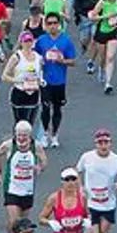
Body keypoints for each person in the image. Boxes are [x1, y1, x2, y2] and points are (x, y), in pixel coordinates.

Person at [0, 120, 49, 231]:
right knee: (15, 221)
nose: (21, 138)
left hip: (28, 190)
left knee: (23, 223)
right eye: (19, 135)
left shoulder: (36, 146)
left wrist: (40, 167)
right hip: (11, 188)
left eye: (24, 135)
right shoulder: (9, 145)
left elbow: (44, 161)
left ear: (29, 135)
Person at [36, 12, 78, 148]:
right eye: (49, 23)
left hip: (59, 81)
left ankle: (55, 134)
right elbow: (35, 57)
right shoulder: (41, 41)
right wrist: (40, 63)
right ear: (46, 25)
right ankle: (45, 134)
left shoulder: (66, 41)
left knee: (57, 109)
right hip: (45, 80)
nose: (53, 26)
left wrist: (62, 61)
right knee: (45, 108)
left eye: (55, 23)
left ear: (59, 25)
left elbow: (73, 61)